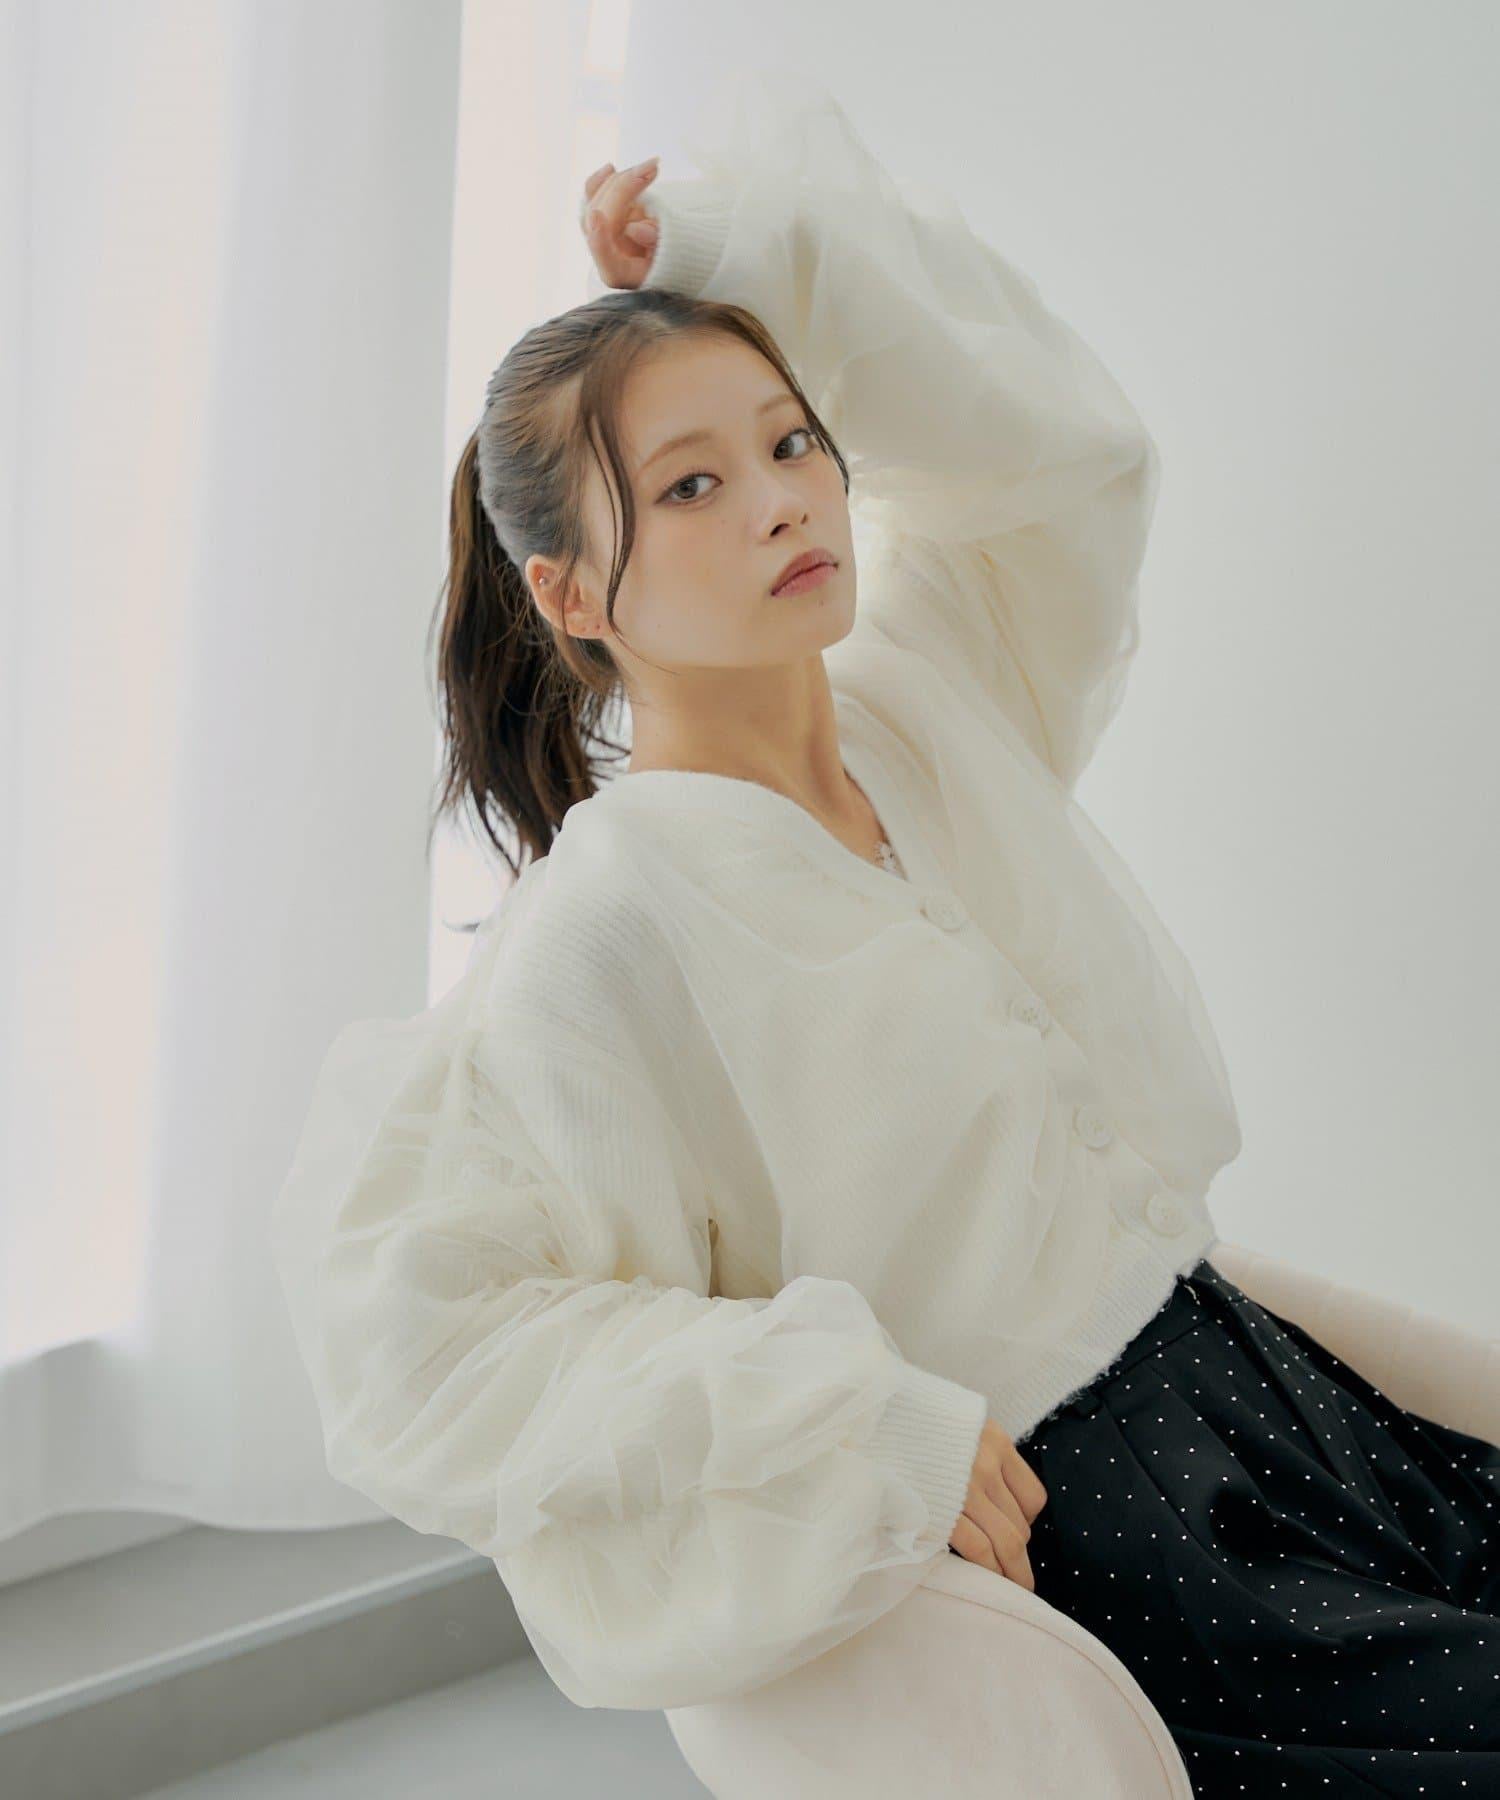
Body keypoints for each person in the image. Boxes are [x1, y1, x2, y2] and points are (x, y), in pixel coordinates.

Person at [270, 70, 1500, 1792]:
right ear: (570, 593)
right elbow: (423, 1335)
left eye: (792, 444)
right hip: (1119, 1536)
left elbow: (1066, 463)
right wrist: (853, 1420)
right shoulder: (611, 920)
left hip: (1256, 1394)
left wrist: (744, 256)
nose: (783, 501)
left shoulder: (924, 714)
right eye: (690, 488)